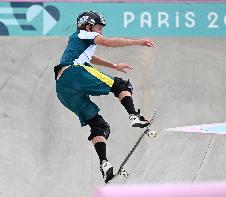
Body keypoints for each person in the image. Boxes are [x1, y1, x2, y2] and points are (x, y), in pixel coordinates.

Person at [54, 11, 155, 183]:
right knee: (121, 86)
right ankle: (134, 115)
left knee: (99, 125)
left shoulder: (78, 44)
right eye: (98, 28)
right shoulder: (85, 33)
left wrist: (113, 65)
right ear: (88, 26)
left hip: (62, 88)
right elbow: (108, 42)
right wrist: (137, 42)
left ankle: (104, 164)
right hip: (74, 73)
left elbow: (91, 58)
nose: (100, 32)